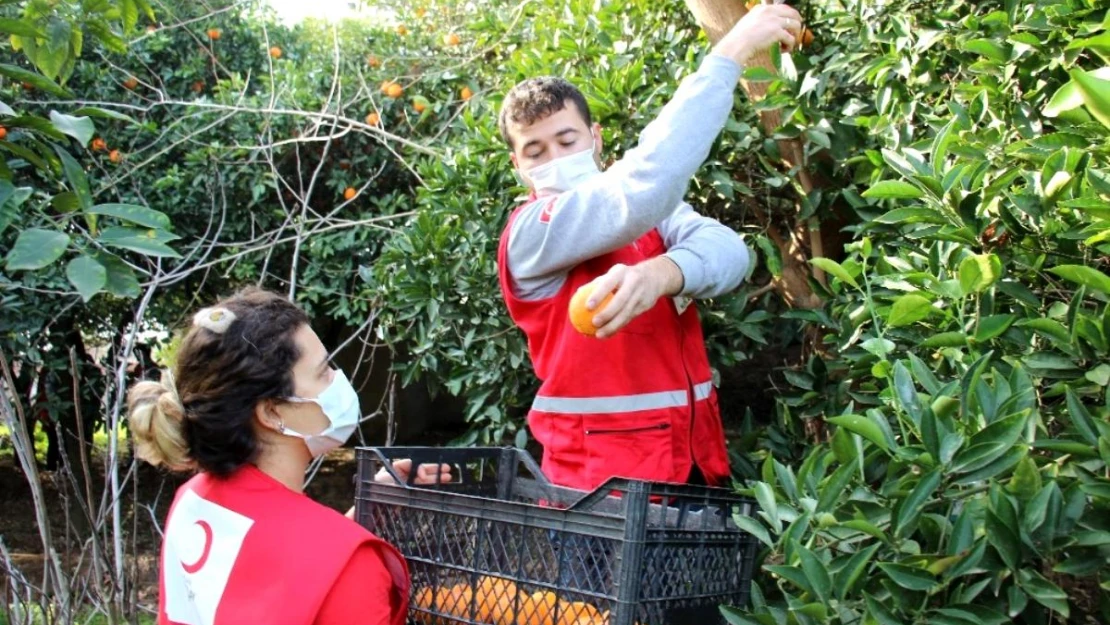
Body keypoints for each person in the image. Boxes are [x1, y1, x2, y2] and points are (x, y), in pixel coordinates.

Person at [496, 4, 804, 496]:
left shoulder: (649, 216)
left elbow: (732, 254)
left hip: (692, 466)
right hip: (598, 493)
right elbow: (641, 189)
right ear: (519, 165)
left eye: (566, 139)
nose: (554, 158)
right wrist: (730, 53)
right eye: (536, 151)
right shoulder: (532, 233)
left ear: (595, 140)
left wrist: (663, 272)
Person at [127, 288, 449, 625]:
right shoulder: (351, 570)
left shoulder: (192, 502)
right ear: (272, 412)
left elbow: (261, 585)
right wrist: (346, 548)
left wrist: (353, 528)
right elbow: (314, 571)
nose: (338, 381)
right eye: (323, 372)